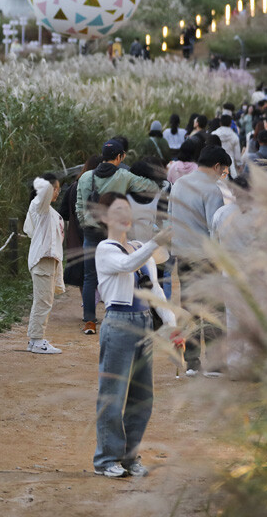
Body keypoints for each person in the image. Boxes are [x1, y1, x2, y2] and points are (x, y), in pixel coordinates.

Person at [91, 192, 182, 478]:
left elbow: (154, 289)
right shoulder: (105, 249)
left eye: (127, 209)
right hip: (118, 323)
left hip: (143, 324)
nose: (124, 215)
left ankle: (129, 458)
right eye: (117, 210)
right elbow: (127, 266)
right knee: (113, 395)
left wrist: (171, 323)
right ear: (104, 217)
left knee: (143, 397)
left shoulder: (140, 246)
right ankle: (107, 460)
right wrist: (157, 242)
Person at [74, 141, 162, 335]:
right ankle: (112, 315)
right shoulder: (123, 175)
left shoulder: (86, 177)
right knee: (120, 273)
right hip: (112, 233)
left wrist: (85, 222)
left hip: (90, 231)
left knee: (89, 277)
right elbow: (150, 187)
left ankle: (89, 321)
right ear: (120, 157)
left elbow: (79, 204)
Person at [168, 146, 231, 375]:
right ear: (217, 167)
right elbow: (214, 229)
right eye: (224, 171)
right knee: (213, 308)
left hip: (182, 255)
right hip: (205, 257)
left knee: (190, 308)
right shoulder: (212, 189)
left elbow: (171, 218)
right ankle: (215, 362)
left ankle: (192, 363)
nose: (223, 175)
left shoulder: (179, 184)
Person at [24, 174, 66, 354]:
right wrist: (48, 184)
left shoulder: (50, 211)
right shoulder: (38, 206)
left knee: (46, 301)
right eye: (56, 189)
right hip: (42, 260)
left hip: (51, 260)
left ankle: (37, 339)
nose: (57, 192)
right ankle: (36, 340)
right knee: (42, 301)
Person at [59, 155, 101, 288]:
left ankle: (87, 306)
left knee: (85, 282)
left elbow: (63, 213)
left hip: (77, 242)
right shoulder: (104, 188)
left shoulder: (73, 187)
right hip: (99, 242)